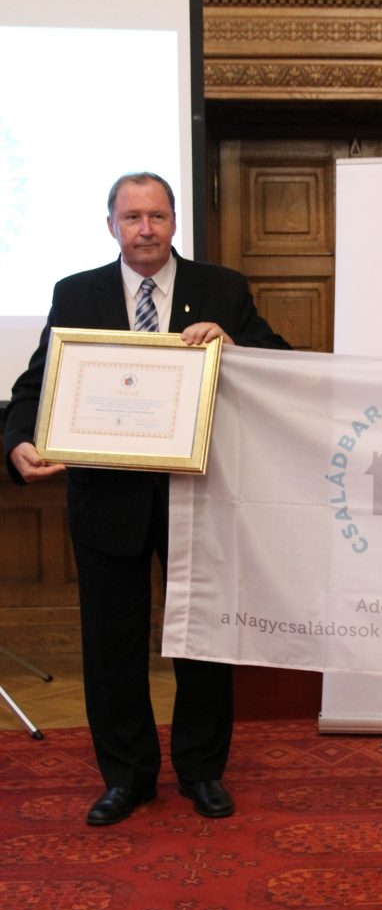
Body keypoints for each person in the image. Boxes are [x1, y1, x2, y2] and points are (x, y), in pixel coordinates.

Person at [4, 172, 290, 826]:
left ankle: (201, 771)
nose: (145, 229)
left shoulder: (222, 289)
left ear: (174, 222)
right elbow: (36, 384)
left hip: (202, 496)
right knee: (112, 647)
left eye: (157, 216)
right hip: (107, 501)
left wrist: (233, 347)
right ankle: (126, 778)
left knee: (203, 642)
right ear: (111, 225)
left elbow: (279, 364)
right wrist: (18, 441)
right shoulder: (76, 293)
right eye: (131, 217)